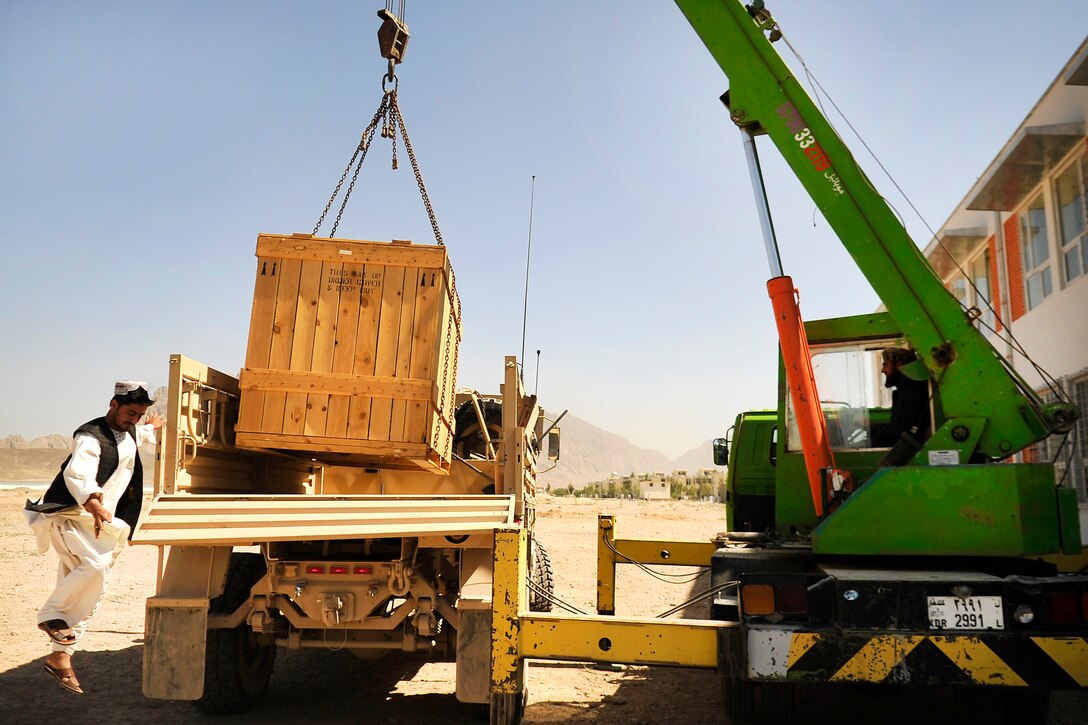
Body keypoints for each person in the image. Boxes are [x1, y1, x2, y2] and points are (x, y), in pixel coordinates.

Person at [24, 380, 164, 695]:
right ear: (113, 404)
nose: (134, 420)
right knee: (95, 570)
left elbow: (135, 437)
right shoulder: (90, 436)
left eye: (140, 415)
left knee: (94, 587)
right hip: (72, 517)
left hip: (102, 524)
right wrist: (94, 502)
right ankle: (50, 617)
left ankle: (61, 656)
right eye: (131, 413)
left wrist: (150, 427)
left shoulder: (129, 429)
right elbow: (79, 473)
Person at [870, 346, 931, 449]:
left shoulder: (909, 393)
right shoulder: (911, 389)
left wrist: (868, 427)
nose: (882, 370)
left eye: (885, 365)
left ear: (899, 365)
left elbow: (896, 432)